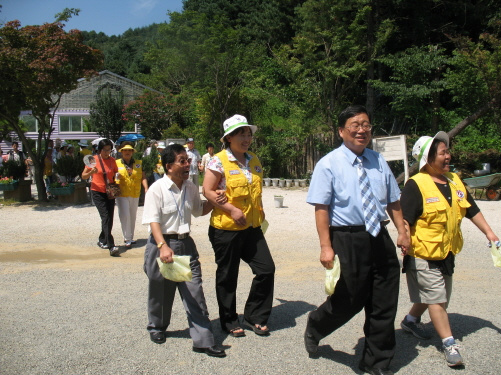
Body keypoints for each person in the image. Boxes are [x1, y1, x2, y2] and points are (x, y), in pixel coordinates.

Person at [304, 105, 410, 375]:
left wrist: (401, 230)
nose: (362, 130)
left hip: (378, 235)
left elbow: (393, 199)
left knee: (384, 300)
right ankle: (316, 324)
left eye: (366, 125)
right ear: (341, 131)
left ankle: (377, 363)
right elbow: (321, 208)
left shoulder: (378, 160)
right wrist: (326, 247)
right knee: (349, 298)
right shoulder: (328, 163)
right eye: (355, 125)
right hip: (347, 237)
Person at [398, 132, 499, 367]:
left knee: (438, 294)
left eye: (447, 151)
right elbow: (405, 219)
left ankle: (411, 320)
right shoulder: (416, 185)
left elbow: (471, 209)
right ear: (428, 158)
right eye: (442, 152)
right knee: (437, 299)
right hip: (422, 253)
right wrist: (404, 239)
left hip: (447, 251)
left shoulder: (454, 179)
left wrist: (490, 233)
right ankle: (449, 343)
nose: (448, 156)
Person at [142, 143, 226, 357]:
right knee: (160, 292)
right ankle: (157, 326)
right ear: (169, 166)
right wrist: (162, 246)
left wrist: (216, 201)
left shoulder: (189, 187)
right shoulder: (156, 189)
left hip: (185, 244)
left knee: (194, 291)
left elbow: (198, 210)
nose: (189, 164)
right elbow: (153, 221)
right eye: (183, 161)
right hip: (161, 244)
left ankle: (203, 340)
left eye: (188, 160)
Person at [203, 114, 276, 337]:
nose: (246, 138)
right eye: (241, 134)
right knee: (228, 275)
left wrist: (260, 211)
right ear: (229, 138)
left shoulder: (253, 159)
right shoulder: (218, 160)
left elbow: (256, 192)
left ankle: (255, 316)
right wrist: (232, 210)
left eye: (248, 134)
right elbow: (207, 190)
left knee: (266, 269)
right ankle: (229, 320)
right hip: (226, 229)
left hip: (252, 228)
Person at [81, 139, 120, 257]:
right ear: (100, 149)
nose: (108, 152)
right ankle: (111, 244)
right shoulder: (92, 160)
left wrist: (118, 178)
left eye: (109, 150)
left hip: (110, 191)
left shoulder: (113, 161)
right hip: (97, 191)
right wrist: (91, 172)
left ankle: (102, 239)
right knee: (105, 216)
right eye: (105, 150)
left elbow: (115, 174)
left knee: (110, 217)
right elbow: (83, 176)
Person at [115, 143, 148, 248]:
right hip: (122, 193)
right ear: (121, 152)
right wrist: (116, 178)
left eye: (129, 151)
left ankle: (131, 237)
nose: (127, 152)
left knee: (132, 215)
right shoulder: (116, 163)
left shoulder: (138, 163)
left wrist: (146, 188)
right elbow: (112, 177)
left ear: (133, 152)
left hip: (135, 193)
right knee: (125, 215)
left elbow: (143, 177)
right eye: (125, 150)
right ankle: (127, 238)